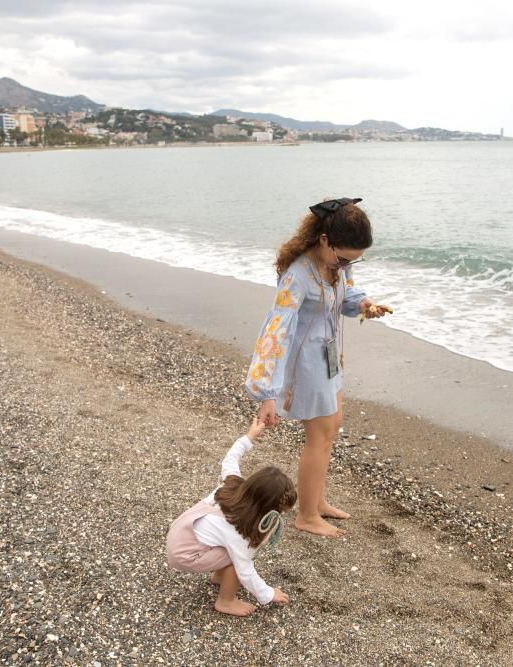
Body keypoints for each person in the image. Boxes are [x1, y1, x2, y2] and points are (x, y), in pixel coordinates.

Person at [245, 197, 391, 538]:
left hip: (329, 358)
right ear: (324, 240)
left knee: (332, 426)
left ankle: (318, 501)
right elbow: (274, 332)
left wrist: (365, 305)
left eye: (354, 260)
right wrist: (268, 394)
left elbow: (347, 297)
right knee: (320, 435)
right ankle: (307, 515)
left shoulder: (335, 265)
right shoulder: (297, 276)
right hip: (306, 364)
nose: (346, 266)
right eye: (344, 258)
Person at [166, 417, 295, 616]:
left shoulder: (233, 483)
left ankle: (220, 577)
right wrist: (269, 594)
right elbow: (245, 569)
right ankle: (225, 601)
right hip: (185, 553)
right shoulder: (238, 529)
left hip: (182, 533)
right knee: (238, 558)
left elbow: (231, 458)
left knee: (234, 552)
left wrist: (250, 437)